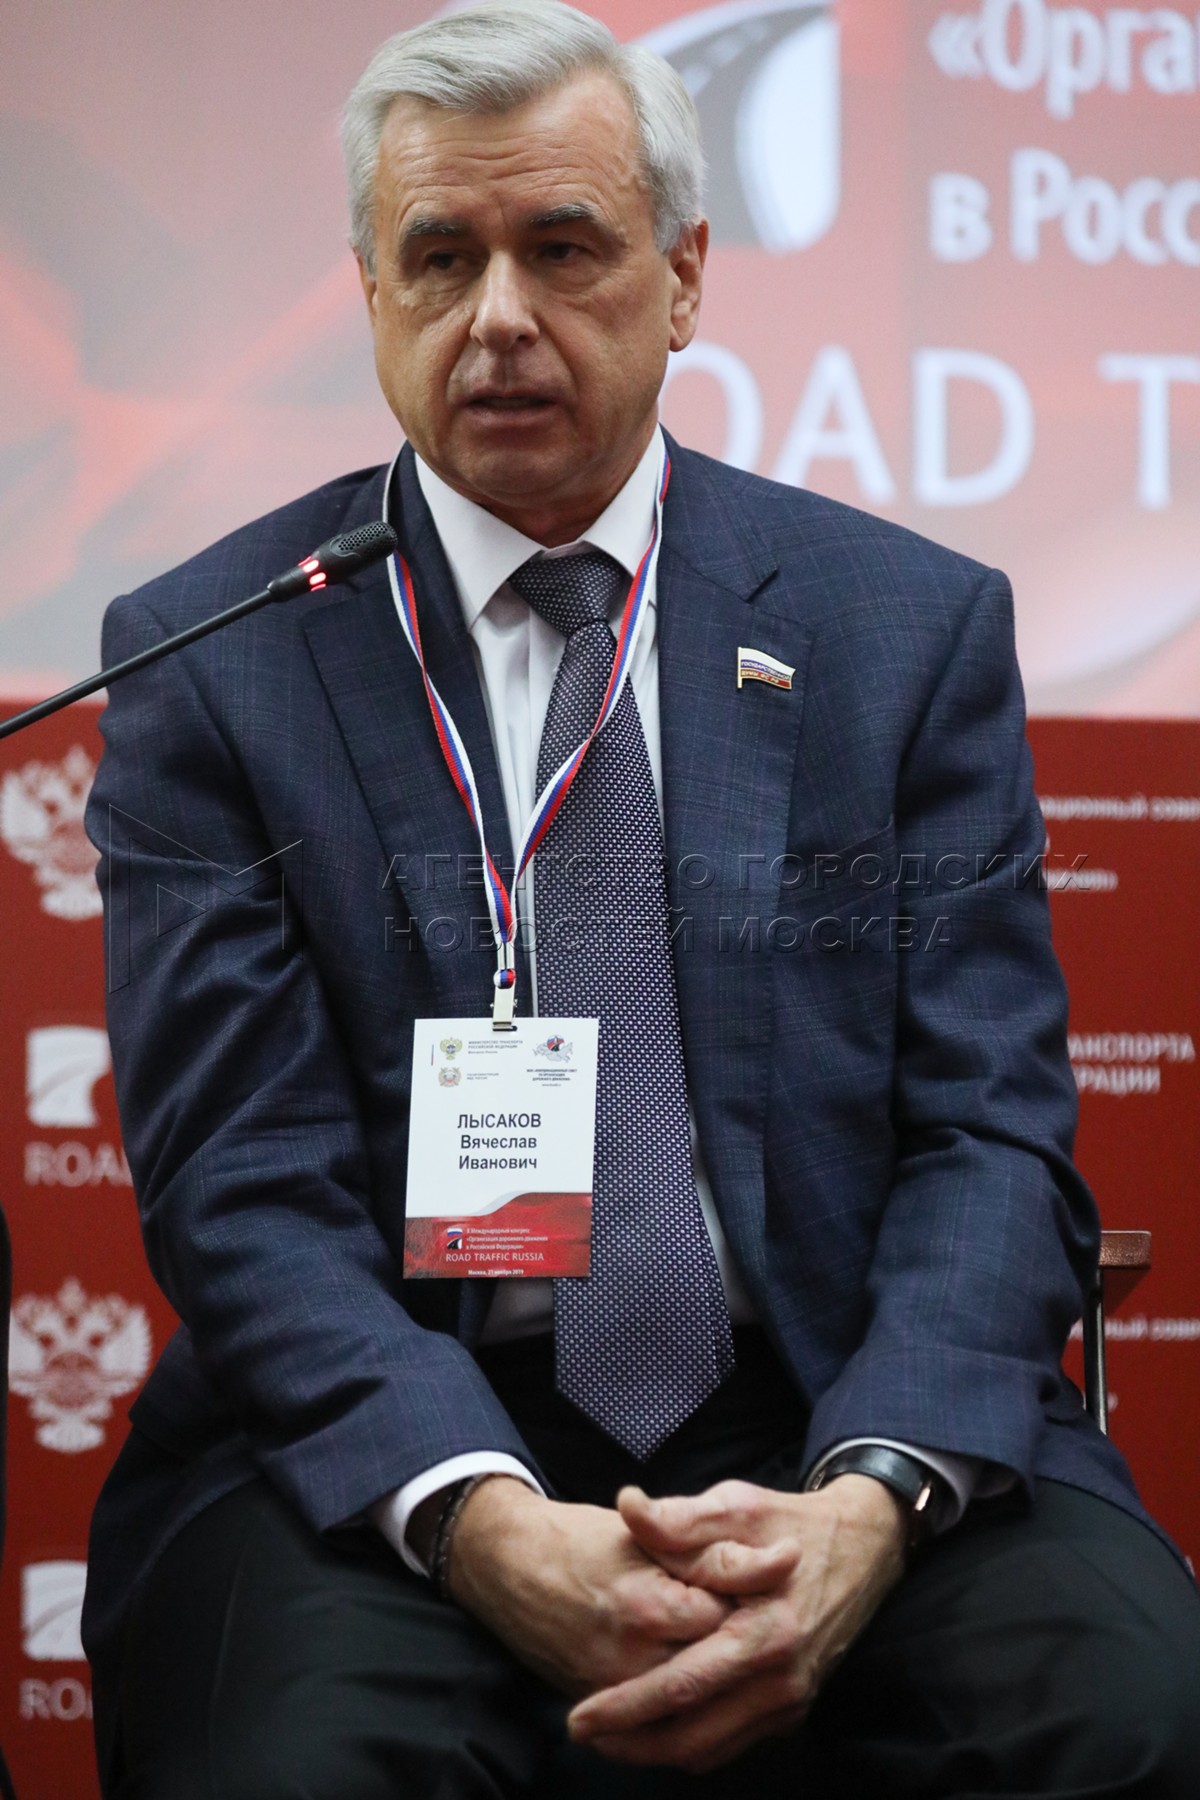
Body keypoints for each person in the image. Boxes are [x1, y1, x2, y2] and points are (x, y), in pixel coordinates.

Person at [82, 4, 1200, 1796]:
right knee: (298, 1761)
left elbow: (991, 1137)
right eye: (439, 258)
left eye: (563, 248)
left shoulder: (901, 631)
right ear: (368, 292)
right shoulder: (220, 659)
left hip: (827, 1389)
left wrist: (867, 1504)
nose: (497, 316)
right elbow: (240, 1186)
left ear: (683, 279)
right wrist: (483, 1520)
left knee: (1128, 1716)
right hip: (397, 1417)